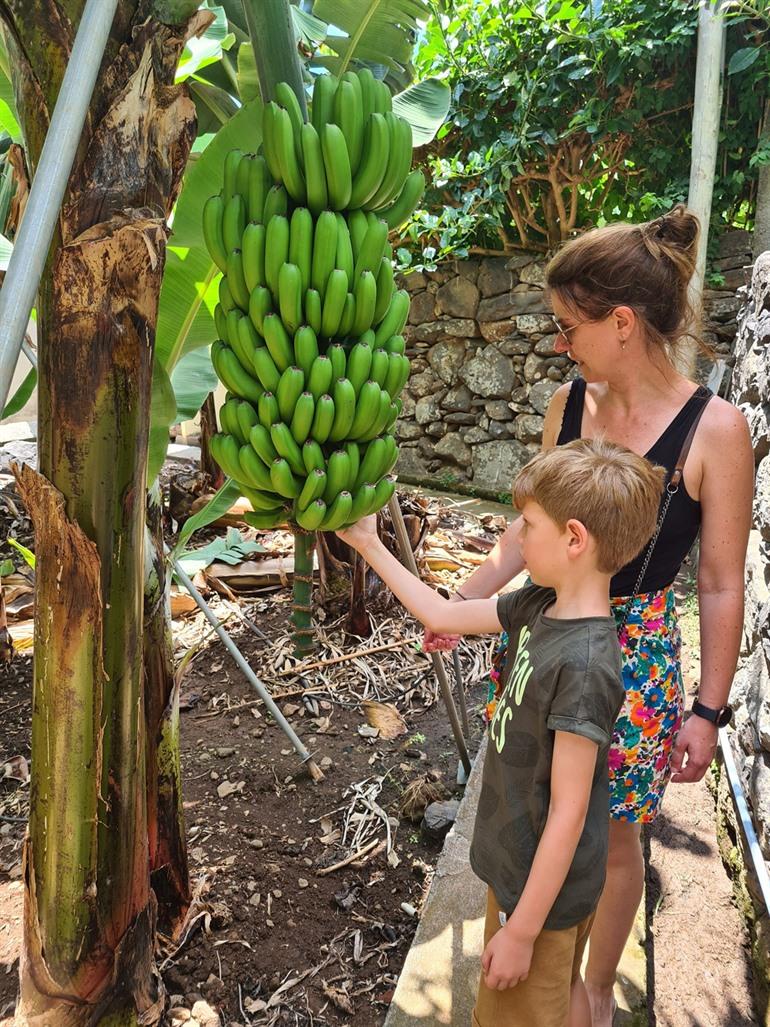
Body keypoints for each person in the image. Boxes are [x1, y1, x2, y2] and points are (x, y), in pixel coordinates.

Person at [424, 205, 755, 1026]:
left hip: (635, 666)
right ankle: (535, 941)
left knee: (609, 841)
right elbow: (524, 527)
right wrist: (466, 597)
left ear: (622, 322)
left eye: (570, 326)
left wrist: (708, 711)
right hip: (546, 636)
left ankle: (595, 982)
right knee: (539, 813)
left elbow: (719, 582)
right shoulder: (568, 404)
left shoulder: (716, 430)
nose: (559, 342)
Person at [338, 439, 666, 1027]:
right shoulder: (543, 603)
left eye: (527, 523)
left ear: (573, 538)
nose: (514, 535)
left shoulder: (587, 665)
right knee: (558, 994)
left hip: (543, 896)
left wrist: (522, 933)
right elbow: (442, 615)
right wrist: (366, 542)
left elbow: (568, 813)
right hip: (523, 871)